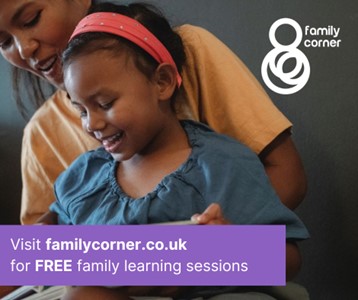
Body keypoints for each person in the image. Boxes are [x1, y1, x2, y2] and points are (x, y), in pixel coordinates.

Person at [42, 4, 308, 299]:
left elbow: (288, 261)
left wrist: (230, 248)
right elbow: (54, 241)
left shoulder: (220, 165)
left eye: (105, 104)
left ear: (162, 82)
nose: (91, 124)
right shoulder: (83, 179)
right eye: (80, 110)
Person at [0, 0, 307, 227]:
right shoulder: (48, 142)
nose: (24, 49)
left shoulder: (219, 159)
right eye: (3, 42)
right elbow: (38, 253)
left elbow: (280, 251)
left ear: (164, 82)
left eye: (30, 19)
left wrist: (212, 254)